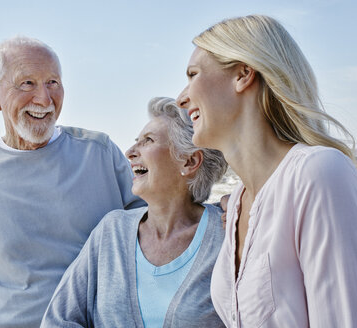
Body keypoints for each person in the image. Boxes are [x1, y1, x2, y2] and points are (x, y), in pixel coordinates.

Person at [176, 15, 357, 327]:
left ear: (243, 74)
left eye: (193, 75)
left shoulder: (319, 174)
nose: (182, 98)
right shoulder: (236, 203)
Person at [0, 36, 144, 328]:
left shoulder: (100, 152)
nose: (44, 100)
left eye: (53, 82)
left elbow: (160, 228)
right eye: (27, 83)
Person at [41, 97, 228, 327]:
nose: (130, 152)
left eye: (147, 141)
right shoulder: (112, 231)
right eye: (135, 141)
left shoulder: (226, 234)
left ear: (189, 161)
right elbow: (59, 320)